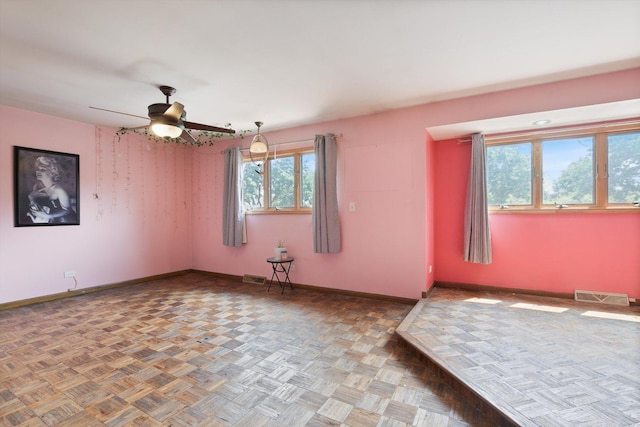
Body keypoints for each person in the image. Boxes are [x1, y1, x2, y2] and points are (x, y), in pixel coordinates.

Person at [27, 156, 76, 223]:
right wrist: (31, 197)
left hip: (63, 222)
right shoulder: (37, 186)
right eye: (37, 169)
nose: (38, 172)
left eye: (42, 170)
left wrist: (48, 216)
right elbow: (35, 206)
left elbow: (67, 211)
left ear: (51, 172)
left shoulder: (59, 190)